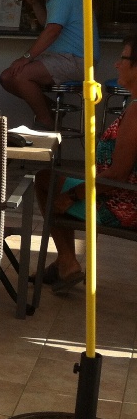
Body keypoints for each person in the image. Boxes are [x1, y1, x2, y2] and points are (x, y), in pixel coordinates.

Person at [36, 34, 137, 293]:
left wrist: (73, 195)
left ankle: (67, 263)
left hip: (122, 205)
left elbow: (117, 176)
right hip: (121, 195)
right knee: (48, 178)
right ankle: (64, 261)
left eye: (123, 58)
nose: (117, 64)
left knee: (47, 183)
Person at [0, 0, 97, 129]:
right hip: (63, 57)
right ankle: (51, 110)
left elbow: (53, 31)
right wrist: (34, 4)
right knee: (7, 78)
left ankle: (45, 122)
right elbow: (48, 24)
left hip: (77, 59)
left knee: (20, 75)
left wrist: (26, 58)